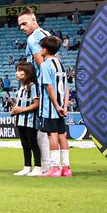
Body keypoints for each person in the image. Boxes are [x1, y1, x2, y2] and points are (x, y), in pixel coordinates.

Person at [38, 36, 72, 177]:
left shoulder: (45, 65)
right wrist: (64, 106)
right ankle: (66, 167)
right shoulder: (60, 64)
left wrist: (57, 106)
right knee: (62, 135)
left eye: (41, 48)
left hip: (51, 108)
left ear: (45, 50)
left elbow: (49, 87)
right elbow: (66, 88)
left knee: (52, 134)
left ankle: (54, 167)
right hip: (61, 107)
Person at [10, 61, 43, 176]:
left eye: (20, 71)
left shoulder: (33, 86)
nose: (17, 73)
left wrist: (22, 110)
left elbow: (36, 103)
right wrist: (15, 110)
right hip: (20, 120)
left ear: (27, 72)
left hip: (30, 120)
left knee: (32, 143)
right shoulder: (21, 87)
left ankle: (38, 166)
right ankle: (27, 166)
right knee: (24, 144)